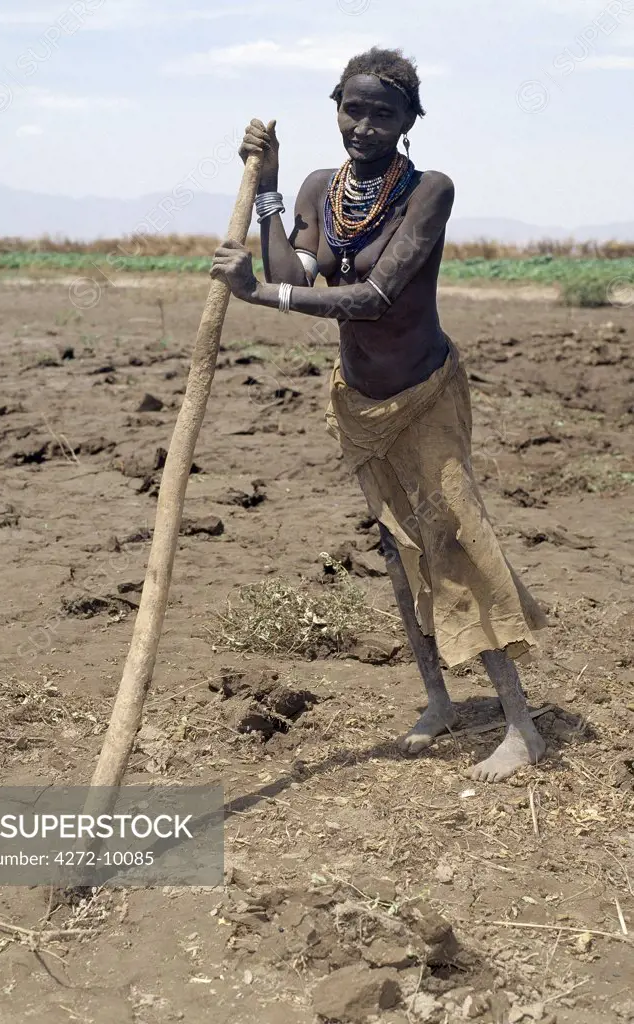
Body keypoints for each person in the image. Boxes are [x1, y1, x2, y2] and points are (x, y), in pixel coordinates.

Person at [210, 46, 548, 783]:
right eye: (352, 108)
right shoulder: (316, 188)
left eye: (382, 113)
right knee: (399, 553)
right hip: (360, 402)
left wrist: (261, 298)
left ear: (408, 122)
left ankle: (522, 725)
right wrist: (267, 192)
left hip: (425, 394)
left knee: (456, 541)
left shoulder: (429, 191)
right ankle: (439, 701)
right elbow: (293, 271)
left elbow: (377, 296)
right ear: (336, 105)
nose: (363, 125)